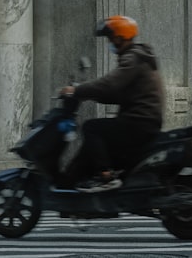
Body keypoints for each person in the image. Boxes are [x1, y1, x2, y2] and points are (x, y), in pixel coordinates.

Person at [60, 15, 166, 193]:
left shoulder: (133, 59)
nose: (110, 42)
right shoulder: (137, 57)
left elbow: (109, 84)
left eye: (111, 38)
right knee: (96, 140)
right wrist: (89, 95)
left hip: (140, 121)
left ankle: (106, 177)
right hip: (143, 120)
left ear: (120, 37)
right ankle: (75, 178)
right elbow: (117, 93)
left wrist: (77, 91)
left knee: (92, 127)